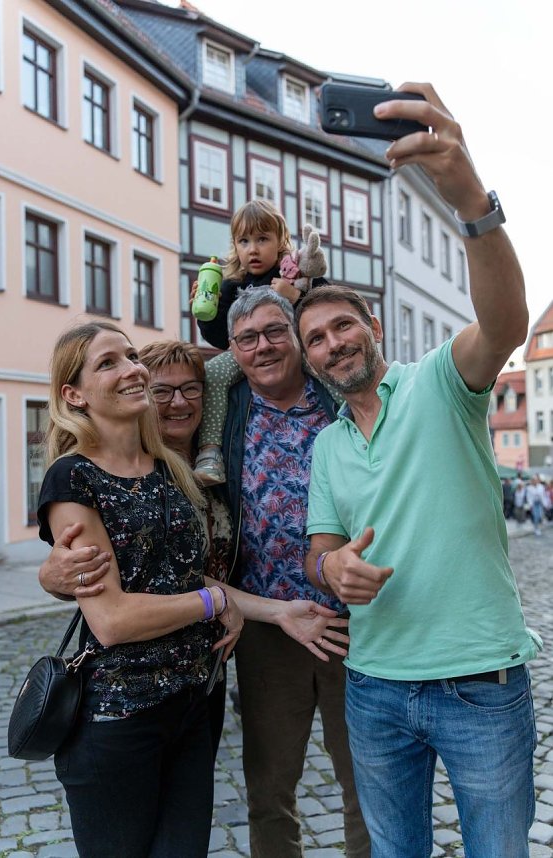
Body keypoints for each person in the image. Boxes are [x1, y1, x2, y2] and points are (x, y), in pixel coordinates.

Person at [296, 83, 543, 858]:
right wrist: (331, 566)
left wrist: (471, 202)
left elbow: (503, 321)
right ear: (308, 362)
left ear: (372, 328)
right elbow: (318, 548)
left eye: (343, 326)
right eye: (316, 339)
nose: (333, 343)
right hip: (373, 687)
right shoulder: (327, 446)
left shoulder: (441, 381)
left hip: (480, 684)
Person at [39, 339, 349, 772]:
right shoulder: (97, 471)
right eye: (162, 391)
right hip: (129, 687)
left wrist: (276, 611)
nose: (177, 403)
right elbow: (110, 597)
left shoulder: (213, 460)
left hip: (205, 666)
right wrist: (51, 578)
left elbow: (187, 575)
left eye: (192, 390)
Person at [38, 320, 244, 858]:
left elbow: (176, 574)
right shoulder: (72, 478)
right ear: (74, 394)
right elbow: (112, 619)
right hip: (119, 716)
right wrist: (213, 601)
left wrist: (242, 603)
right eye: (108, 363)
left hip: (191, 705)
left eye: (131, 357)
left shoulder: (168, 466)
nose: (131, 369)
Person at [221, 286, 370, 857]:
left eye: (275, 331)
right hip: (269, 628)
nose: (263, 346)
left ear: (297, 338)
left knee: (366, 784)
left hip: (354, 624)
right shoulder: (226, 411)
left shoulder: (340, 397)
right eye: (248, 338)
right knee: (269, 790)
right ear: (233, 352)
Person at [191, 199, 331, 485]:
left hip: (297, 350)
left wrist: (296, 297)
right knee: (214, 372)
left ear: (280, 241)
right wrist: (207, 309)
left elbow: (328, 304)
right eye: (243, 241)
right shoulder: (231, 284)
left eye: (262, 239)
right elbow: (219, 338)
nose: (252, 249)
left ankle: (357, 421)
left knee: (329, 364)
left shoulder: (294, 272)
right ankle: (209, 452)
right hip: (245, 355)